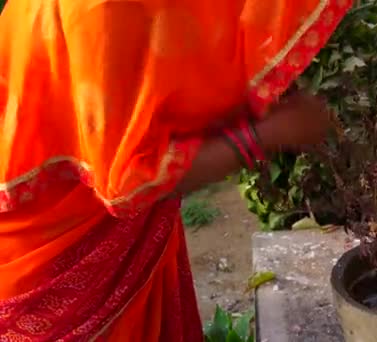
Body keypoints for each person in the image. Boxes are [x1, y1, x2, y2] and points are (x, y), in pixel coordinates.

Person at [0, 0, 352, 340]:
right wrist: (270, 134)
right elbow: (130, 180)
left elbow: (169, 54)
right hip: (53, 251)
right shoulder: (103, 10)